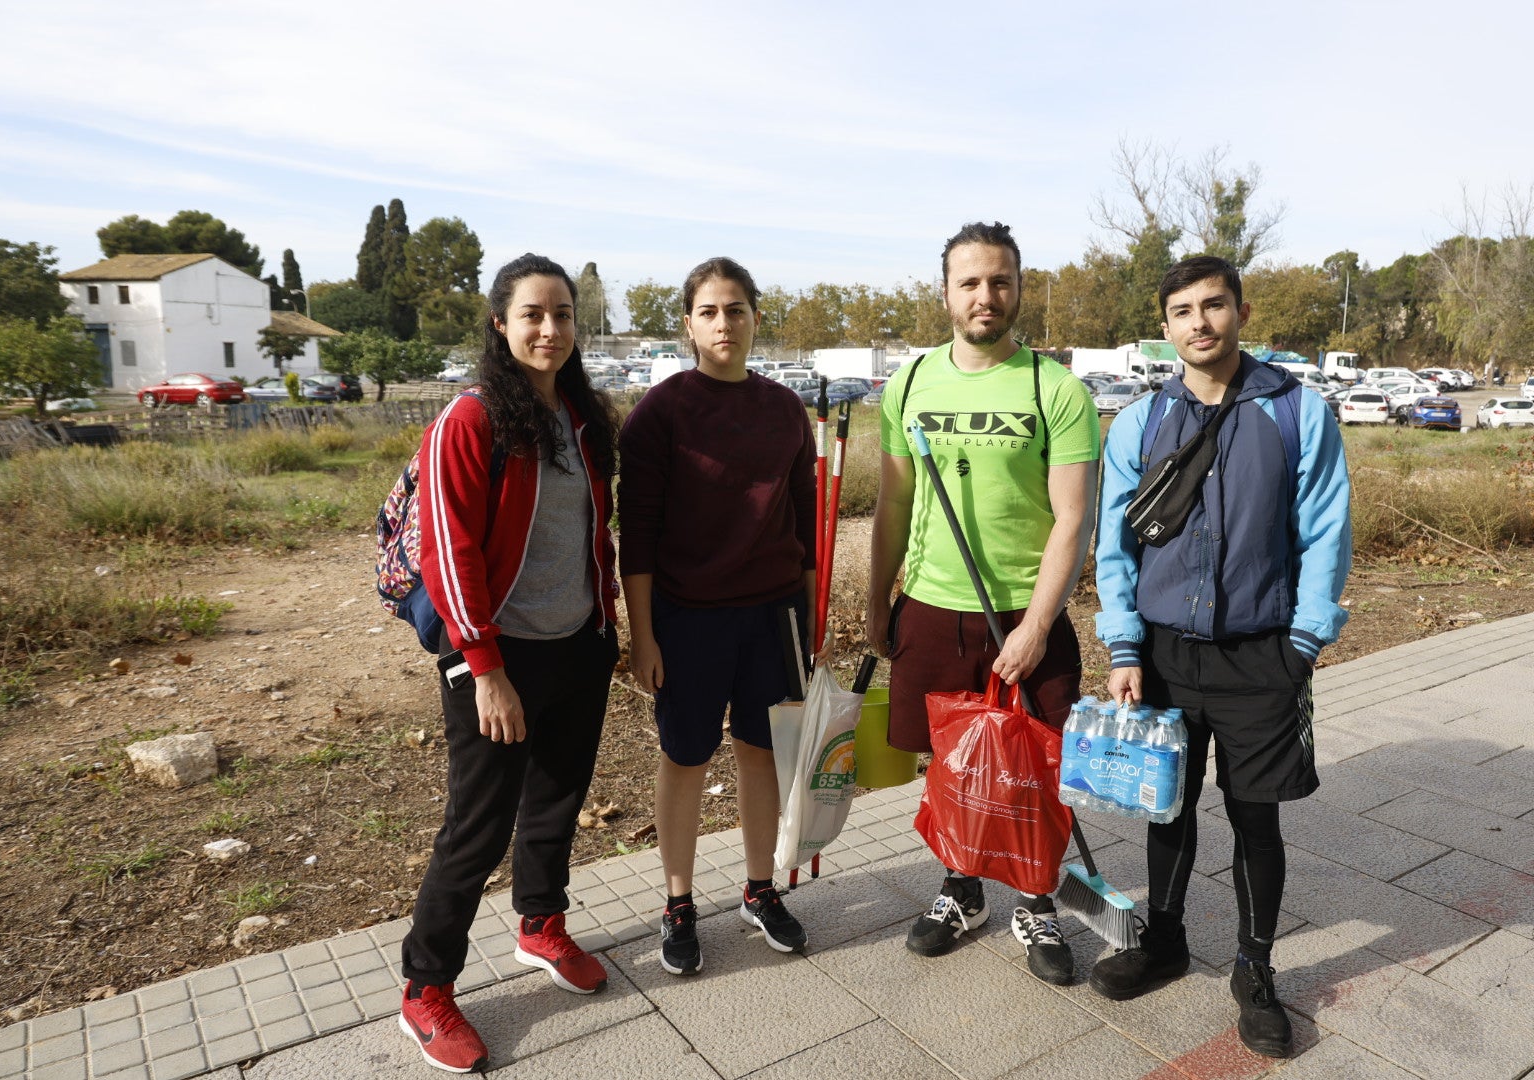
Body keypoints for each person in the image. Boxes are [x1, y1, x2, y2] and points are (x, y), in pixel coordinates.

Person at [1089, 255, 1352, 1058]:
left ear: (1240, 310)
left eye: (1214, 305)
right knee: (1166, 805)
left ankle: (1254, 969)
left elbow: (1324, 531)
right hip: (1163, 654)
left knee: (1253, 815)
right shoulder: (1139, 422)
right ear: (1165, 327)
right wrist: (1124, 643)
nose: (1199, 322)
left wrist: (1304, 641)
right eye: (1182, 311)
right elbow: (1116, 546)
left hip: (1261, 656)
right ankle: (1164, 939)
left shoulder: (1296, 411)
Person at [397, 254, 622, 1073]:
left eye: (562, 315)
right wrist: (483, 666)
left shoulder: (584, 417)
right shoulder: (470, 419)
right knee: (477, 824)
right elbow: (450, 552)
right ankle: (425, 987)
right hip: (496, 656)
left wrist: (609, 625)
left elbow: (594, 534)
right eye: (532, 314)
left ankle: (539, 924)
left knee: (558, 798)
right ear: (500, 323)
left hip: (578, 645)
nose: (549, 330)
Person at [865, 222, 1100, 986]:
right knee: (950, 765)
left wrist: (1037, 625)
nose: (985, 296)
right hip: (932, 605)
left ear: (1018, 289)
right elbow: (894, 506)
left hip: (1021, 611)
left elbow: (1074, 518)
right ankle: (962, 891)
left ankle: (1035, 900)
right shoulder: (909, 383)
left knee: (1036, 766)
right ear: (945, 293)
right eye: (969, 282)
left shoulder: (1054, 388)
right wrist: (877, 601)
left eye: (999, 281)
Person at [618, 257, 816, 977]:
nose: (724, 323)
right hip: (688, 619)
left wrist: (809, 619)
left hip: (773, 618)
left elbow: (807, 527)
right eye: (709, 311)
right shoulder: (660, 413)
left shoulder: (785, 409)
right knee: (685, 758)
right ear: (688, 324)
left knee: (762, 754)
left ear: (755, 318)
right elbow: (633, 537)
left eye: (736, 309)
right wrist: (643, 637)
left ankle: (760, 891)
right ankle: (678, 903)